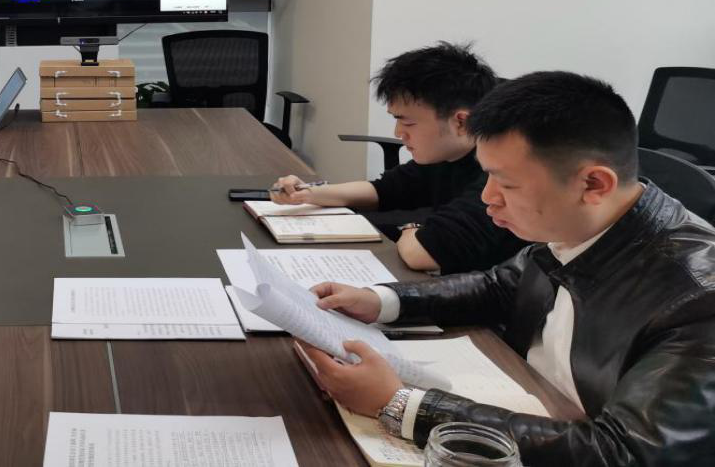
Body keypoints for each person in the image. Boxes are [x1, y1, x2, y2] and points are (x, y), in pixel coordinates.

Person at [302, 71, 715, 465]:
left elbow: (623, 452)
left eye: (507, 184)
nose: (488, 198)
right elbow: (500, 286)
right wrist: (381, 300)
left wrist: (401, 404)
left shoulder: (698, 299)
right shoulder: (578, 224)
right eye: (487, 177)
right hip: (533, 397)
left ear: (594, 184)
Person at [273, 42, 525, 273]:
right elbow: (385, 190)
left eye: (408, 123)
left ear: (461, 122)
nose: (398, 133)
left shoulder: (503, 170)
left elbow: (423, 254)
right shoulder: (448, 151)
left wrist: (411, 227)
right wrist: (307, 194)